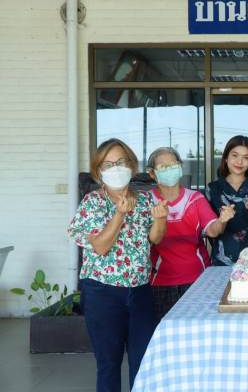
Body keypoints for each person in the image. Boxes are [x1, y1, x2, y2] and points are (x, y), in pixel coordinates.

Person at [68, 138, 168, 391]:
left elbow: (155, 239)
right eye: (108, 164)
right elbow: (101, 246)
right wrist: (120, 214)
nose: (116, 168)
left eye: (121, 162)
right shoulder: (92, 202)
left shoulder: (145, 200)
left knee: (142, 361)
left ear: (132, 166)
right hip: (102, 293)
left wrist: (160, 219)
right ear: (98, 172)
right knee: (109, 364)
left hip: (140, 290)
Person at [146, 147, 234, 319]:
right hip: (160, 281)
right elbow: (151, 239)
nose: (169, 170)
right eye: (163, 167)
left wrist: (222, 220)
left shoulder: (195, 198)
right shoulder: (146, 201)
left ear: (180, 167)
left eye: (173, 165)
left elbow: (213, 230)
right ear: (152, 173)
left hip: (197, 279)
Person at [206, 136, 248, 265]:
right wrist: (222, 220)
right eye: (235, 155)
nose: (240, 161)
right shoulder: (213, 189)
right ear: (226, 158)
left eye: (246, 157)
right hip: (222, 258)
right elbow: (209, 228)